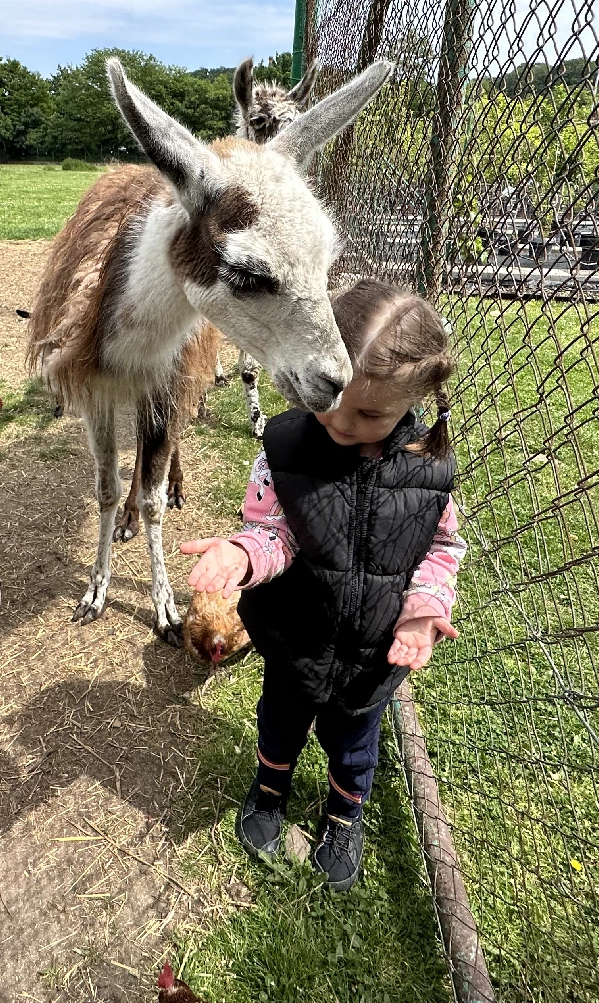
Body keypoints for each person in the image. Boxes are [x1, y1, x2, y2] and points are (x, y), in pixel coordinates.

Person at [180, 278, 466, 892]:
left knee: (355, 743)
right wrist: (241, 552)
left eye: (369, 413)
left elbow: (441, 547)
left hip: (370, 653)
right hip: (295, 636)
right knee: (279, 720)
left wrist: (422, 608)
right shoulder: (283, 450)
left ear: (415, 402)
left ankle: (343, 817)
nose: (340, 417)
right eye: (332, 394)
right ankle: (268, 789)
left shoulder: (430, 471)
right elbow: (274, 529)